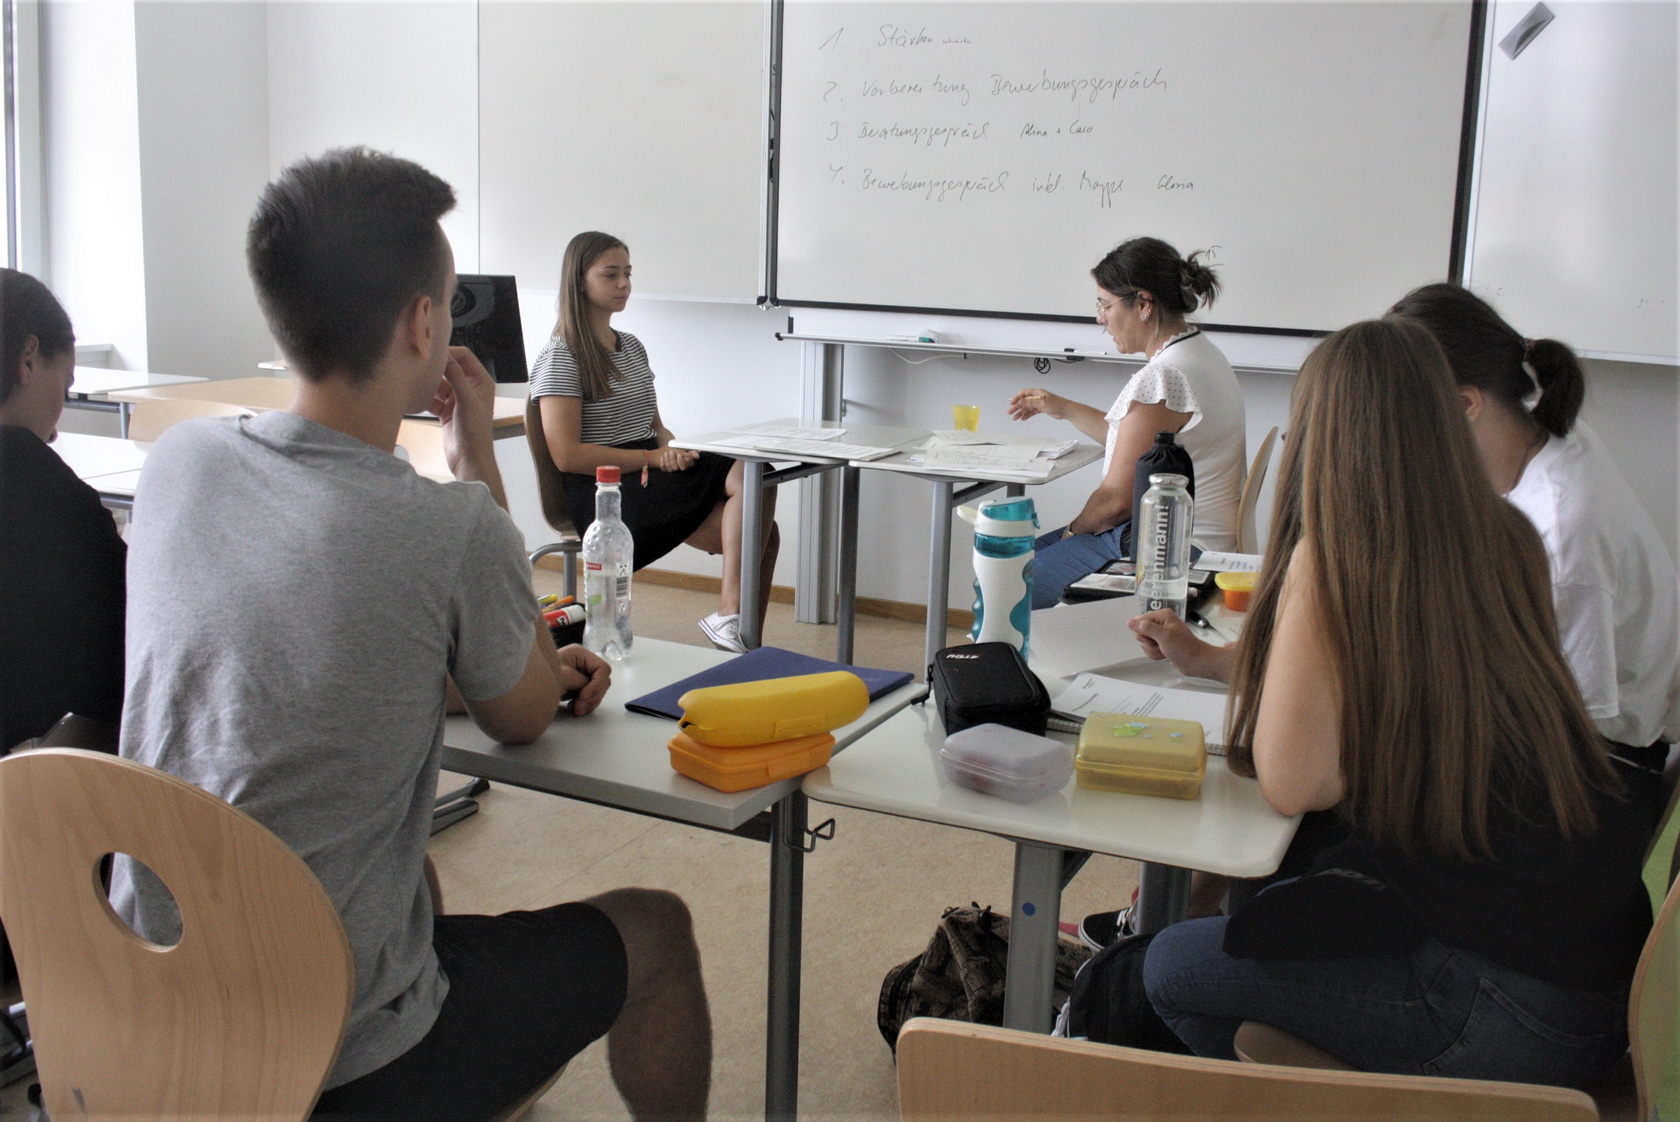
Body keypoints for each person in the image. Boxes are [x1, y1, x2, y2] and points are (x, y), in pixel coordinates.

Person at [108, 149, 711, 1121]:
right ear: (424, 324)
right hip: (327, 1044)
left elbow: (317, 650)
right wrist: (476, 462)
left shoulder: (177, 464)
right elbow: (523, 714)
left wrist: (453, 670)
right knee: (659, 934)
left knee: (418, 879)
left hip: (146, 997)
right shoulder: (446, 525)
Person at [1140, 319, 1650, 1089]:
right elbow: (1410, 706)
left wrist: (1301, 582)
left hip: (1505, 1011)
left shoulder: (1337, 559)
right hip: (1597, 983)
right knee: (1273, 895)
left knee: (1171, 964)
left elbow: (1295, 781)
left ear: (1321, 438)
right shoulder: (1508, 534)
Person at [1389, 283, 1679, 831]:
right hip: (1557, 734)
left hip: (1591, 772)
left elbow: (1568, 720)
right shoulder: (1543, 435)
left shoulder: (1564, 529)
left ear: (1464, 405)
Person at [531, 231, 779, 654]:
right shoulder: (561, 355)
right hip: (604, 488)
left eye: (627, 273)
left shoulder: (631, 346)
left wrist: (673, 450)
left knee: (760, 502)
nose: (624, 284)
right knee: (757, 503)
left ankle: (737, 635)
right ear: (579, 282)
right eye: (611, 274)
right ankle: (730, 618)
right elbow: (568, 456)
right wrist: (653, 457)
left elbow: (656, 426)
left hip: (648, 470)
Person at [1008, 236, 1246, 608]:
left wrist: (1072, 533)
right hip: (1196, 538)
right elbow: (1137, 448)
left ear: (1144, 304)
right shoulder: (1201, 353)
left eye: (1105, 305)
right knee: (1021, 559)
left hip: (1172, 549)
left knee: (1007, 580)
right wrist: (1064, 408)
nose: (1100, 318)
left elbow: (1115, 503)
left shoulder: (1164, 376)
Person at [0, 269, 124, 755]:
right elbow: (125, 667)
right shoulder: (37, 487)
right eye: (65, 387)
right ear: (28, 358)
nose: (56, 427)